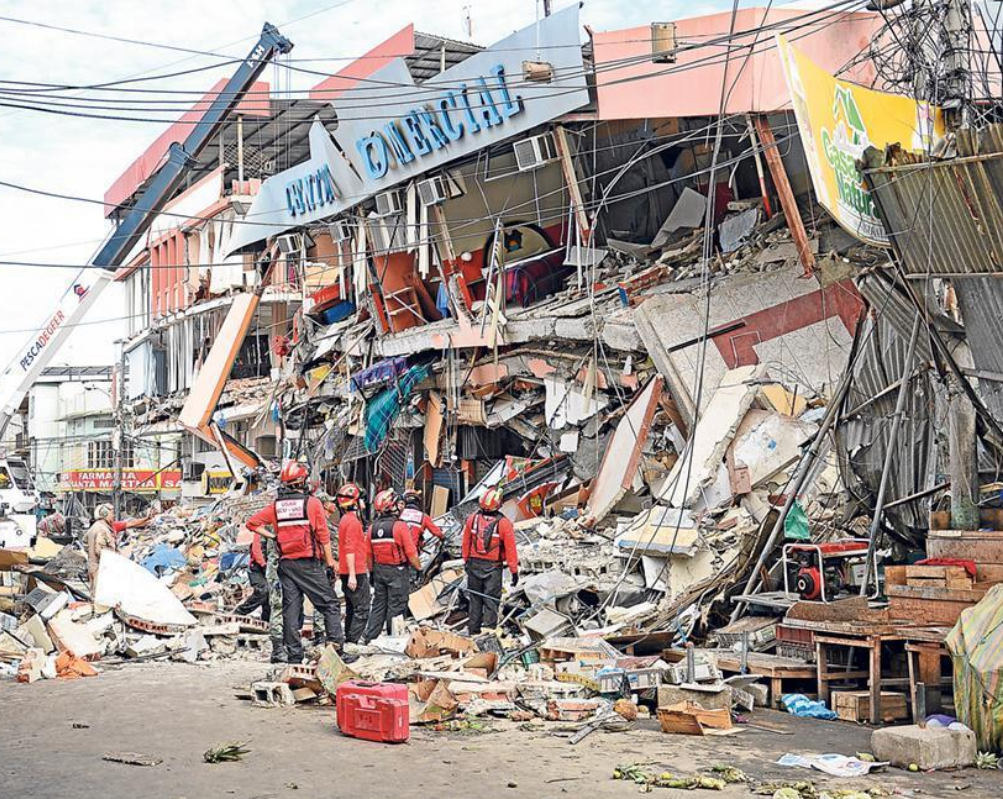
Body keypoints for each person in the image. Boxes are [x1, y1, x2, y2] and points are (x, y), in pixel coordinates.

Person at [245, 460, 345, 664]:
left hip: (285, 565)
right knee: (330, 605)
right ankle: (336, 651)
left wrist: (273, 537)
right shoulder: (312, 503)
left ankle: (294, 655)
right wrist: (330, 561)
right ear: (301, 481)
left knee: (290, 611)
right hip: (307, 563)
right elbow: (323, 535)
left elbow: (251, 523)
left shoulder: (276, 506)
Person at [364, 489, 420, 643]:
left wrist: (372, 573)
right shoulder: (400, 527)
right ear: (392, 507)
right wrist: (419, 569)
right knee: (396, 606)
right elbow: (412, 553)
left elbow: (368, 555)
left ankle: (370, 637)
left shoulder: (372, 529)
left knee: (379, 604)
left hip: (379, 570)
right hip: (397, 571)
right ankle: (392, 638)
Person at [461, 488, 519, 635]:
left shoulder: (472, 519)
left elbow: (466, 542)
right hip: (493, 567)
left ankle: (473, 631)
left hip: (474, 564)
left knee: (475, 599)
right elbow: (511, 549)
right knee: (491, 601)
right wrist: (514, 571)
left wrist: (466, 560)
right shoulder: (504, 523)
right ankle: (487, 634)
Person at [334, 483, 371, 644]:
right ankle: (352, 641)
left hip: (348, 570)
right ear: (355, 502)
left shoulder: (345, 520)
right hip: (355, 571)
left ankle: (349, 638)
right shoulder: (352, 522)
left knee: (351, 608)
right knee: (362, 609)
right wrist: (353, 575)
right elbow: (349, 549)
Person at [234, 531, 269, 623]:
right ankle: (239, 612)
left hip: (269, 568)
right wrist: (264, 564)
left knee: (270, 595)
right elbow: (257, 550)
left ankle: (267, 620)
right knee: (263, 590)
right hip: (256, 568)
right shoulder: (262, 532)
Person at [399, 489, 444, 554]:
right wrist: (443, 538)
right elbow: (438, 533)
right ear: (417, 501)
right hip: (412, 552)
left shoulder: (399, 515)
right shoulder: (423, 516)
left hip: (397, 551)